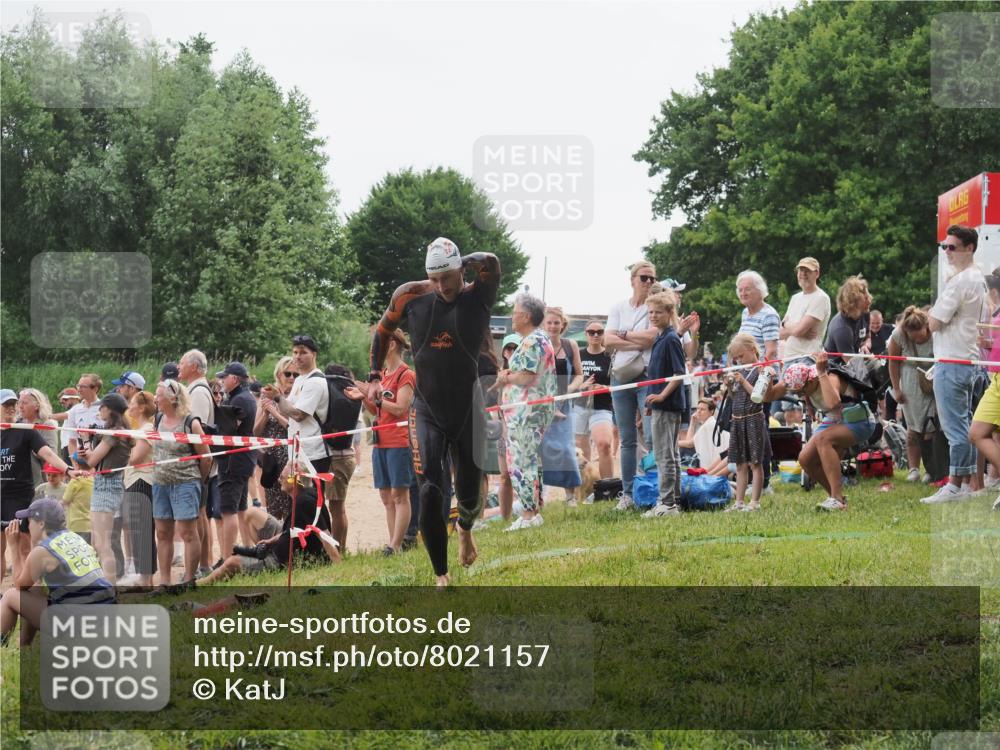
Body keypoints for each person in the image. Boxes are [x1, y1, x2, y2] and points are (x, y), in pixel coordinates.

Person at [367, 238, 500, 587]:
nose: (442, 286)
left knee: (470, 491)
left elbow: (492, 262)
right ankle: (441, 575)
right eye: (435, 278)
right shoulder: (410, 295)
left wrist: (465, 260)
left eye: (449, 277)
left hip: (468, 408)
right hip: (427, 409)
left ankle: (466, 531)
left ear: (461, 271)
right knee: (428, 490)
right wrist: (372, 375)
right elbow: (382, 331)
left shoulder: (479, 296)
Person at [922, 225, 988, 503]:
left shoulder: (961, 281)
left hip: (954, 362)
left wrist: (933, 315)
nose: (947, 252)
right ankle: (968, 484)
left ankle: (955, 486)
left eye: (952, 247)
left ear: (969, 248)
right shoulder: (978, 279)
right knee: (964, 425)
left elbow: (934, 322)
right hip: (967, 361)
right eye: (944, 247)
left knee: (955, 428)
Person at [764, 354, 879, 511]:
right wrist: (766, 376)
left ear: (811, 381)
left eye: (801, 391)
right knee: (805, 459)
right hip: (834, 420)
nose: (799, 395)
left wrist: (822, 372)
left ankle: (836, 499)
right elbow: (769, 396)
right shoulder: (796, 379)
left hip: (859, 421)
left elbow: (833, 402)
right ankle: (836, 498)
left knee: (823, 440)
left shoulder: (829, 376)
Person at [0, 498, 115, 647]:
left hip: (80, 625)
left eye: (29, 521)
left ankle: (2, 650)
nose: (27, 526)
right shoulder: (75, 538)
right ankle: (24, 647)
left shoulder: (42, 552)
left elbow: (19, 586)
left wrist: (14, 547)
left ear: (41, 524)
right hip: (106, 618)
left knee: (10, 596)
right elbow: (34, 584)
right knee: (36, 590)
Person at [196, 480, 340, 585]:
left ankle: (199, 584)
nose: (279, 480)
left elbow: (324, 534)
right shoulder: (305, 494)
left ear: (295, 480)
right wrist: (271, 541)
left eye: (283, 477)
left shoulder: (305, 502)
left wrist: (338, 568)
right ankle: (259, 556)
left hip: (281, 559)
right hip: (284, 541)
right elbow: (293, 528)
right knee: (252, 513)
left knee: (232, 562)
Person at [495, 293, 556, 531]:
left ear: (527, 316)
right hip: (530, 411)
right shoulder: (538, 339)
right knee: (529, 460)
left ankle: (529, 514)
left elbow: (526, 376)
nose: (512, 315)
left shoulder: (532, 341)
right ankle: (532, 511)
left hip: (526, 412)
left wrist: (506, 376)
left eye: (515, 311)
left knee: (522, 461)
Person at [1, 389, 74, 582]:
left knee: (25, 547)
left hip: (21, 497)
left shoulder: (25, 431)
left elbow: (48, 454)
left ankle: (29, 591)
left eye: (12, 404)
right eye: (5, 405)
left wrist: (68, 470)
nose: (10, 408)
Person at [604, 261, 658, 510]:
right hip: (620, 375)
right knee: (626, 438)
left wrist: (623, 336)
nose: (649, 283)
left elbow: (652, 337)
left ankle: (655, 488)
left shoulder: (654, 309)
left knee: (651, 433)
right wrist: (637, 341)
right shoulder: (618, 307)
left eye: (652, 279)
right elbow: (607, 340)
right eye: (644, 278)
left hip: (646, 375)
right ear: (633, 279)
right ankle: (627, 493)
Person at [151, 380, 212, 586]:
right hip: (160, 483)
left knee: (187, 533)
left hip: (185, 483)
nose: (155, 399)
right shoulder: (157, 418)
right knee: (162, 533)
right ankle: (165, 582)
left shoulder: (190, 422)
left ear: (173, 398)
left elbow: (207, 457)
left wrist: (197, 480)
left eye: (159, 395)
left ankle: (188, 579)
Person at [362, 330, 416, 554]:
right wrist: (363, 396)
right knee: (386, 496)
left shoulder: (406, 374)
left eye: (377, 345)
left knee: (400, 495)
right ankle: (393, 544)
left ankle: (396, 544)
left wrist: (374, 398)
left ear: (391, 345)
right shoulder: (381, 374)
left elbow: (401, 408)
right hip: (380, 442)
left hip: (399, 442)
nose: (373, 351)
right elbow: (375, 410)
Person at [77, 393, 133, 581]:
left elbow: (92, 460)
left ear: (110, 410)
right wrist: (86, 452)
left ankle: (110, 588)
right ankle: (104, 585)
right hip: (106, 483)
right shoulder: (117, 431)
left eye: (102, 407)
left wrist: (85, 440)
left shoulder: (114, 434)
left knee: (102, 544)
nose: (99, 410)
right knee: (97, 542)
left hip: (107, 485)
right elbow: (94, 459)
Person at [642, 291, 689, 516]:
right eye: (650, 312)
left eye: (658, 312)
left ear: (670, 313)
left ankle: (667, 502)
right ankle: (674, 500)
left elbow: (678, 374)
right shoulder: (660, 337)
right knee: (670, 453)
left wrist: (661, 397)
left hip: (668, 405)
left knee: (664, 454)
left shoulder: (671, 339)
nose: (653, 316)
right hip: (660, 405)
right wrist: (653, 400)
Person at [179, 348, 219, 576]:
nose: (179, 366)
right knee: (200, 514)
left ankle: (203, 564)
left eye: (182, 363)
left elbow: (199, 429)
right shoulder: (194, 389)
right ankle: (204, 563)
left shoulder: (199, 392)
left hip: (198, 464)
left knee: (200, 515)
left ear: (194, 366)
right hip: (196, 464)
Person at [214, 361, 258, 563]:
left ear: (236, 379)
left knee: (228, 511)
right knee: (240, 509)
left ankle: (226, 558)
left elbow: (229, 429)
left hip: (233, 461)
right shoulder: (243, 397)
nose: (221, 381)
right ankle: (248, 550)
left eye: (224, 377)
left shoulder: (240, 399)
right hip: (242, 459)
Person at [888, 306, 937, 482]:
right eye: (912, 336)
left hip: (933, 385)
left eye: (920, 335)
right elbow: (892, 363)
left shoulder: (936, 331)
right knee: (913, 429)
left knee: (931, 429)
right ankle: (913, 469)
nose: (916, 339)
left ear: (926, 326)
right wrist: (897, 389)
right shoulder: (898, 335)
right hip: (910, 385)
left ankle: (932, 469)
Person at [540, 307, 583, 505]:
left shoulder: (570, 345)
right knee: (541, 449)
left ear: (562, 324)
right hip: (541, 403)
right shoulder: (538, 345)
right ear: (543, 324)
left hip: (565, 404)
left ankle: (570, 496)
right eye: (549, 322)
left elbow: (579, 374)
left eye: (556, 323)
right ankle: (537, 496)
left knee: (566, 449)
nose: (552, 326)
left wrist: (569, 389)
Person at [723, 334, 769, 512]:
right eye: (736, 358)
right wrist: (729, 385)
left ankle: (755, 502)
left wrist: (742, 381)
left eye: (741, 356)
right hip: (737, 420)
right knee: (740, 463)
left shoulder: (761, 370)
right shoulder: (740, 370)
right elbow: (735, 396)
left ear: (752, 349)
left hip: (753, 419)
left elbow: (758, 397)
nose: (738, 360)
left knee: (755, 462)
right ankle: (739, 502)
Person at [121, 391, 158, 587]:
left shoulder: (147, 428)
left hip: (142, 481)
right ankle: (144, 578)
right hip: (135, 481)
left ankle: (146, 579)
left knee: (142, 531)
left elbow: (135, 458)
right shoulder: (141, 428)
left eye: (132, 403)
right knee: (138, 531)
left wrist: (121, 450)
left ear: (142, 407)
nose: (129, 407)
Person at [254, 356, 294, 519]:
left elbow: (292, 427)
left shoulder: (295, 396)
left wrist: (275, 413)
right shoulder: (266, 396)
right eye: (288, 374)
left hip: (291, 457)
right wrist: (265, 413)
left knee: (291, 506)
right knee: (274, 508)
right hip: (271, 460)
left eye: (295, 375)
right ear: (279, 375)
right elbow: (256, 432)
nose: (292, 378)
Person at [575, 320, 615, 480]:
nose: (596, 335)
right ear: (586, 334)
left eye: (599, 331)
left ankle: (607, 489)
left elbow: (620, 383)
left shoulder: (611, 355)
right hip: (578, 406)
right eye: (592, 332)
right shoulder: (578, 354)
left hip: (602, 406)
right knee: (579, 451)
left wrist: (605, 387)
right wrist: (582, 386)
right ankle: (585, 489)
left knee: (604, 444)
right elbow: (570, 382)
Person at [779, 257, 831, 365]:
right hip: (788, 358)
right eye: (800, 270)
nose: (803, 274)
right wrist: (790, 326)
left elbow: (798, 331)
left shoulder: (821, 298)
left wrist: (786, 325)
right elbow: (779, 333)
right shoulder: (795, 298)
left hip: (806, 358)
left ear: (816, 274)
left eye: (807, 270)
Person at [824, 276, 873, 372]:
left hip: (854, 363)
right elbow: (853, 365)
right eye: (866, 297)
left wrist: (865, 345)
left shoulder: (865, 313)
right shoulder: (841, 329)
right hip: (835, 370)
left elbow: (868, 337)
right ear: (853, 303)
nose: (870, 300)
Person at [16, 388, 58, 487]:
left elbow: (52, 454)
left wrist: (36, 449)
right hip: (17, 480)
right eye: (19, 402)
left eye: (25, 403)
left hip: (37, 483)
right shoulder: (17, 424)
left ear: (37, 406)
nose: (20, 406)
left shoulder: (47, 424)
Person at [737, 271, 780, 363]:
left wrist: (762, 373)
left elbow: (771, 351)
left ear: (760, 291)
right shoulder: (745, 313)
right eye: (740, 290)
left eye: (747, 289)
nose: (743, 293)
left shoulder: (769, 315)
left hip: (764, 372)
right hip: (747, 371)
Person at [678, 398, 730, 476]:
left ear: (711, 411)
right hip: (720, 462)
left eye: (702, 409)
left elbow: (689, 443)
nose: (698, 412)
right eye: (697, 409)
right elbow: (689, 442)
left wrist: (672, 443)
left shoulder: (709, 425)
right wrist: (692, 422)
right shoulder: (710, 423)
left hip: (717, 463)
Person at [65, 373, 103, 467]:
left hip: (102, 462)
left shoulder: (105, 408)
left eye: (83, 386)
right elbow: (72, 440)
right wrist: (75, 465)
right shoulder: (75, 410)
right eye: (78, 386)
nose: (79, 389)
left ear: (95, 389)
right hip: (81, 462)